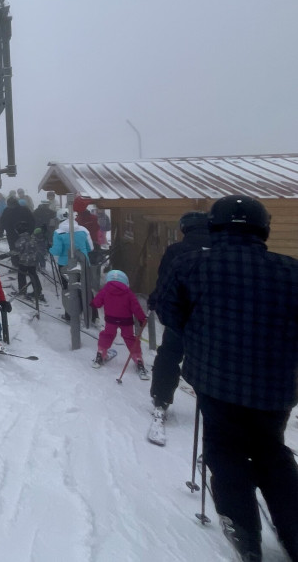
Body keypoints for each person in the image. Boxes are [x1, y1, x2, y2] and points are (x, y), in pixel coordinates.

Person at [154, 195, 298, 561]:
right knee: (273, 453)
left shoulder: (191, 265)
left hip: (217, 380)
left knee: (225, 450)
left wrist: (203, 330)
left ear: (214, 227)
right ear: (263, 229)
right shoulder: (291, 269)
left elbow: (169, 313)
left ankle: (245, 534)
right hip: (277, 387)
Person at [146, 211, 210, 445]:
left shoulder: (176, 251)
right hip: (213, 322)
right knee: (210, 361)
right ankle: (215, 404)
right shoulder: (224, 251)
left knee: (169, 356)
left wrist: (156, 299)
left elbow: (165, 282)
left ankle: (161, 397)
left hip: (181, 318)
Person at [90, 270, 148, 377]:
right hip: (126, 321)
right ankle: (138, 359)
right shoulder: (128, 292)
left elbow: (97, 302)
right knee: (129, 338)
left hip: (110, 319)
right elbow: (136, 307)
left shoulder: (106, 290)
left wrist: (93, 303)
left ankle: (100, 354)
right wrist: (142, 318)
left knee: (107, 335)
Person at [49, 208, 93, 320]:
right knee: (85, 288)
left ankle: (70, 314)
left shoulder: (58, 233)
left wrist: (50, 249)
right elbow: (90, 248)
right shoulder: (83, 230)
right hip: (83, 263)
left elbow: (57, 251)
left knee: (68, 289)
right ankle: (92, 315)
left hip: (65, 264)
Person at [12, 225, 47, 304]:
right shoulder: (32, 237)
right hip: (33, 260)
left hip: (24, 261)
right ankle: (38, 291)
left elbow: (17, 250)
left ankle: (22, 290)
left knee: (21, 275)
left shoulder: (21, 239)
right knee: (33, 275)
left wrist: (6, 255)